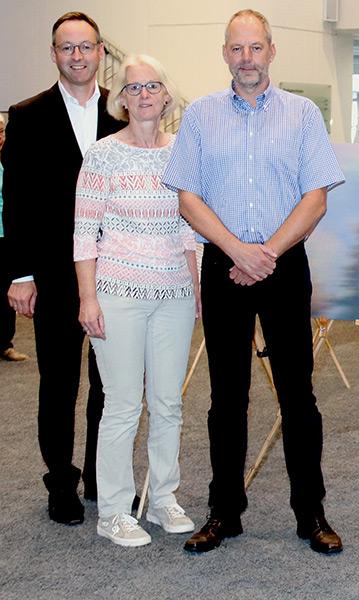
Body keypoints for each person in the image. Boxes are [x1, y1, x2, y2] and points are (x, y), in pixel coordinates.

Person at [162, 8, 345, 555]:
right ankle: (225, 512)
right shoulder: (199, 116)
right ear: (225, 54)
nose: (247, 58)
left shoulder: (303, 114)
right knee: (226, 399)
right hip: (224, 266)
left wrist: (266, 252)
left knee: (299, 396)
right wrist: (237, 250)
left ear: (271, 50)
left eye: (255, 47)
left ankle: (310, 513)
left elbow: (316, 197)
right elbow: (187, 197)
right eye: (236, 49)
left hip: (284, 265)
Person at [1, 11, 125, 525]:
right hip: (51, 275)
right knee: (58, 383)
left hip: (113, 272)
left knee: (108, 382)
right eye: (66, 47)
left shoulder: (121, 118)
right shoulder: (27, 115)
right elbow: (17, 202)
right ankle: (61, 482)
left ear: (100, 53)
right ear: (54, 54)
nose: (77, 56)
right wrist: (20, 274)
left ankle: (101, 475)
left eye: (86, 46)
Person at [74, 54, 198, 547]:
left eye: (152, 86)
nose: (144, 95)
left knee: (168, 403)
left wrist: (196, 290)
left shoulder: (184, 152)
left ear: (166, 95)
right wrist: (87, 298)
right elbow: (84, 233)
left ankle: (163, 498)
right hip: (117, 294)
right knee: (123, 405)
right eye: (133, 88)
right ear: (120, 99)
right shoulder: (102, 154)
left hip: (174, 294)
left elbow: (192, 231)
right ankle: (114, 511)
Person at [0, 114, 28, 362]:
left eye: (1, 131)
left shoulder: (7, 160)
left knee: (5, 293)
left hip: (5, 238)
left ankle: (4, 343)